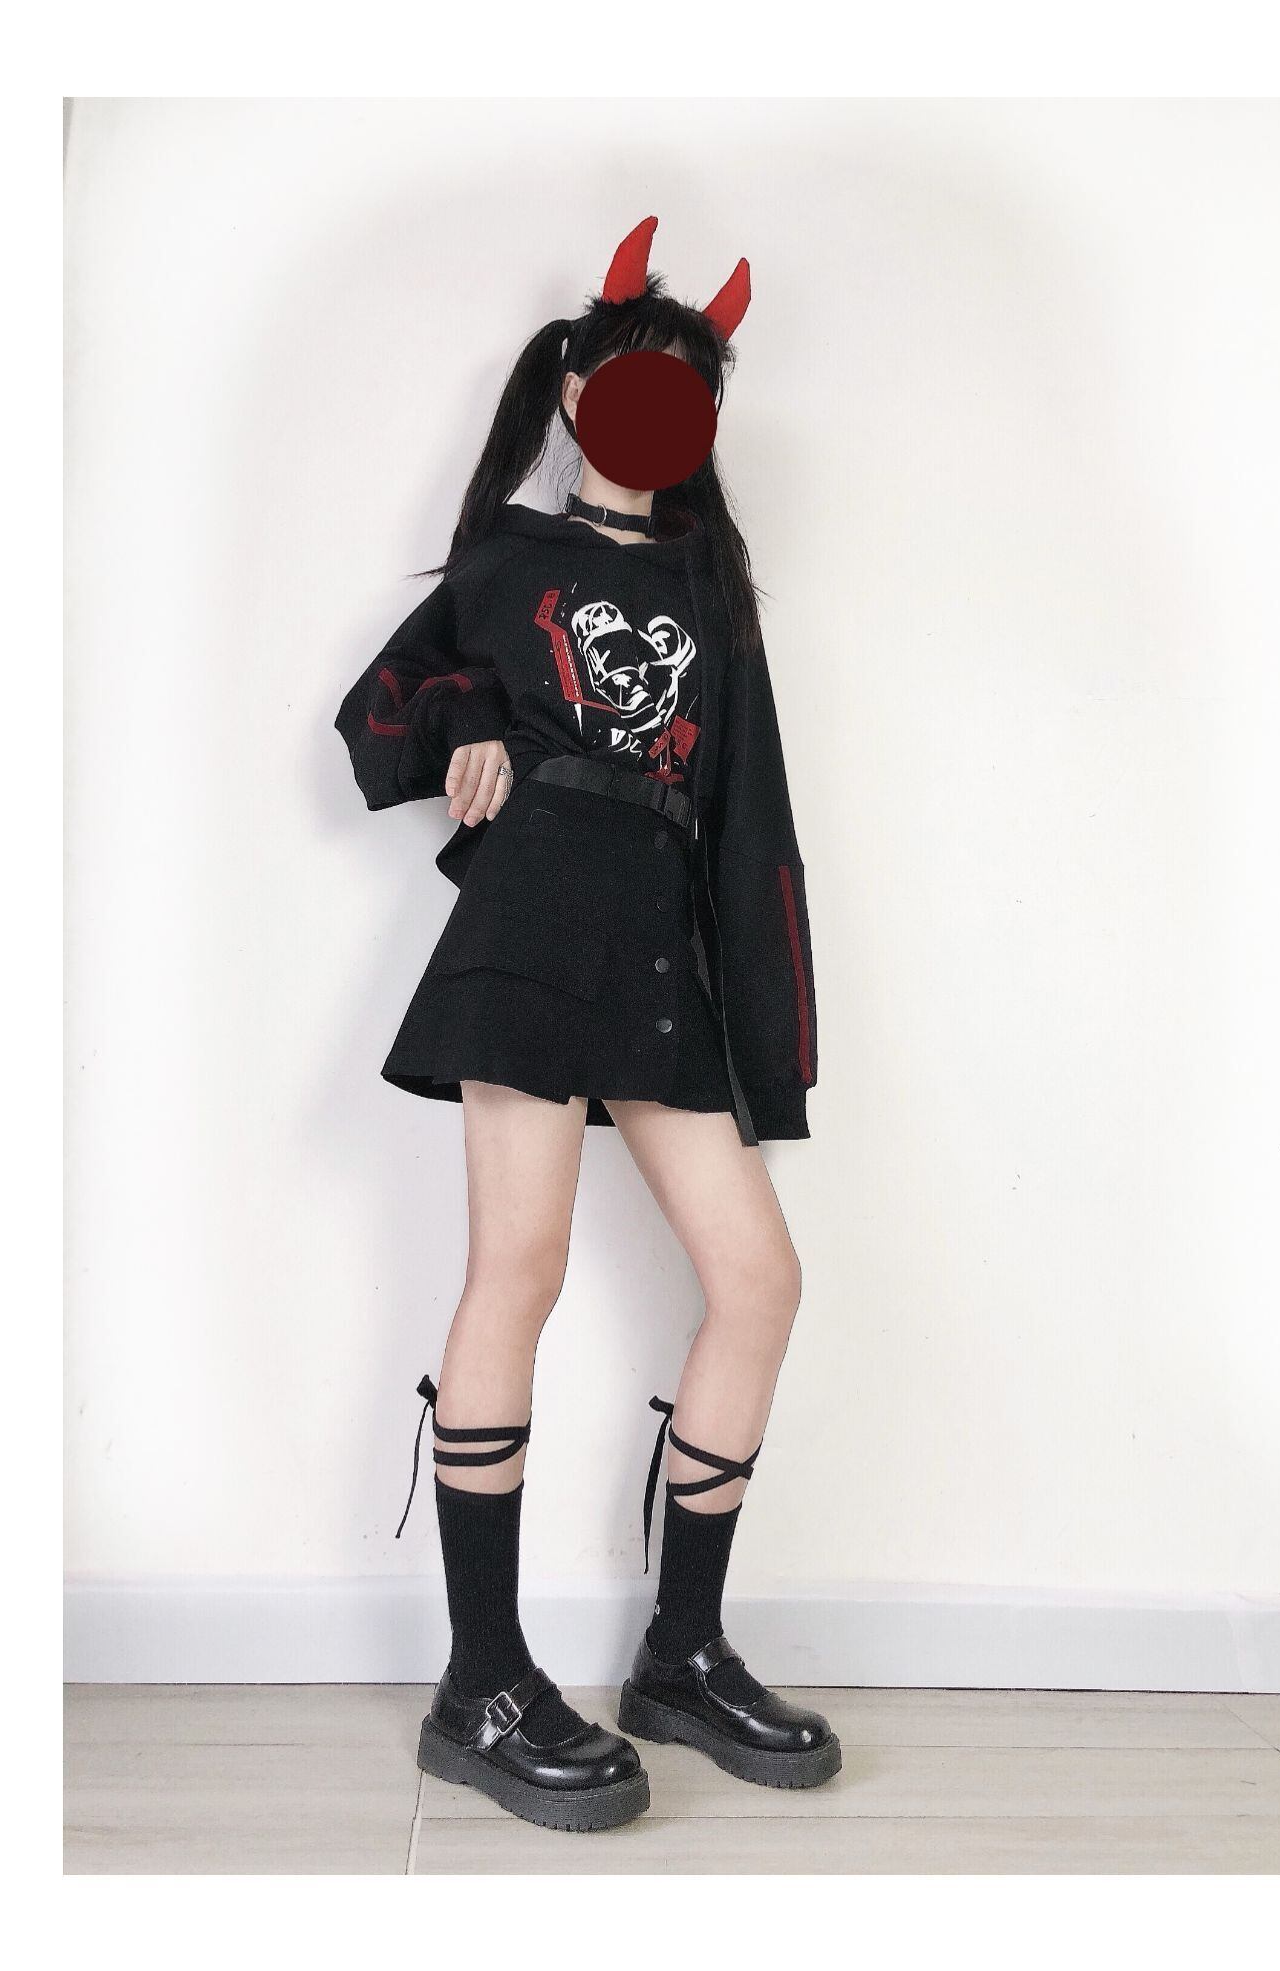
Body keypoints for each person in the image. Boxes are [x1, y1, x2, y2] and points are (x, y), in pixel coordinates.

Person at [335, 217, 837, 1833]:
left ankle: (680, 1653)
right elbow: (382, 705)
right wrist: (470, 722)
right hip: (535, 927)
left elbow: (751, 814)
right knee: (521, 1271)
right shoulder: (507, 560)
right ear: (575, 389)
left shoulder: (710, 583)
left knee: (759, 1280)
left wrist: (767, 1033)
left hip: (661, 956)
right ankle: (483, 1679)